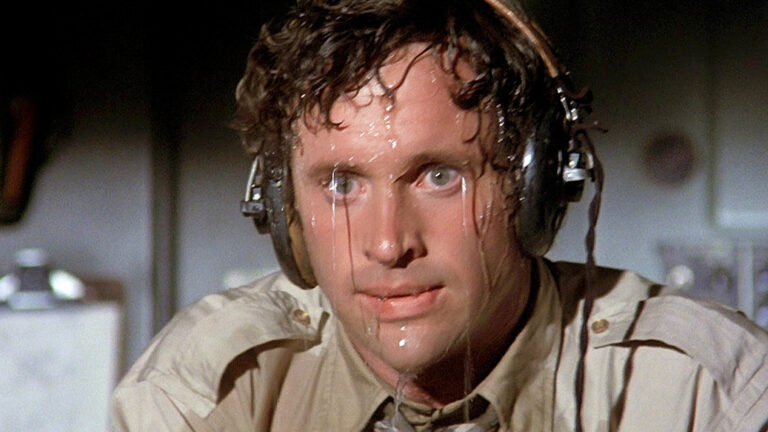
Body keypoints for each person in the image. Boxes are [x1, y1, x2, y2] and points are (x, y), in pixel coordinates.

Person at [111, 0, 768, 431]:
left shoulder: (706, 392)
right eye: (341, 183)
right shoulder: (208, 391)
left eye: (439, 176)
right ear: (284, 210)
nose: (388, 244)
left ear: (535, 188)